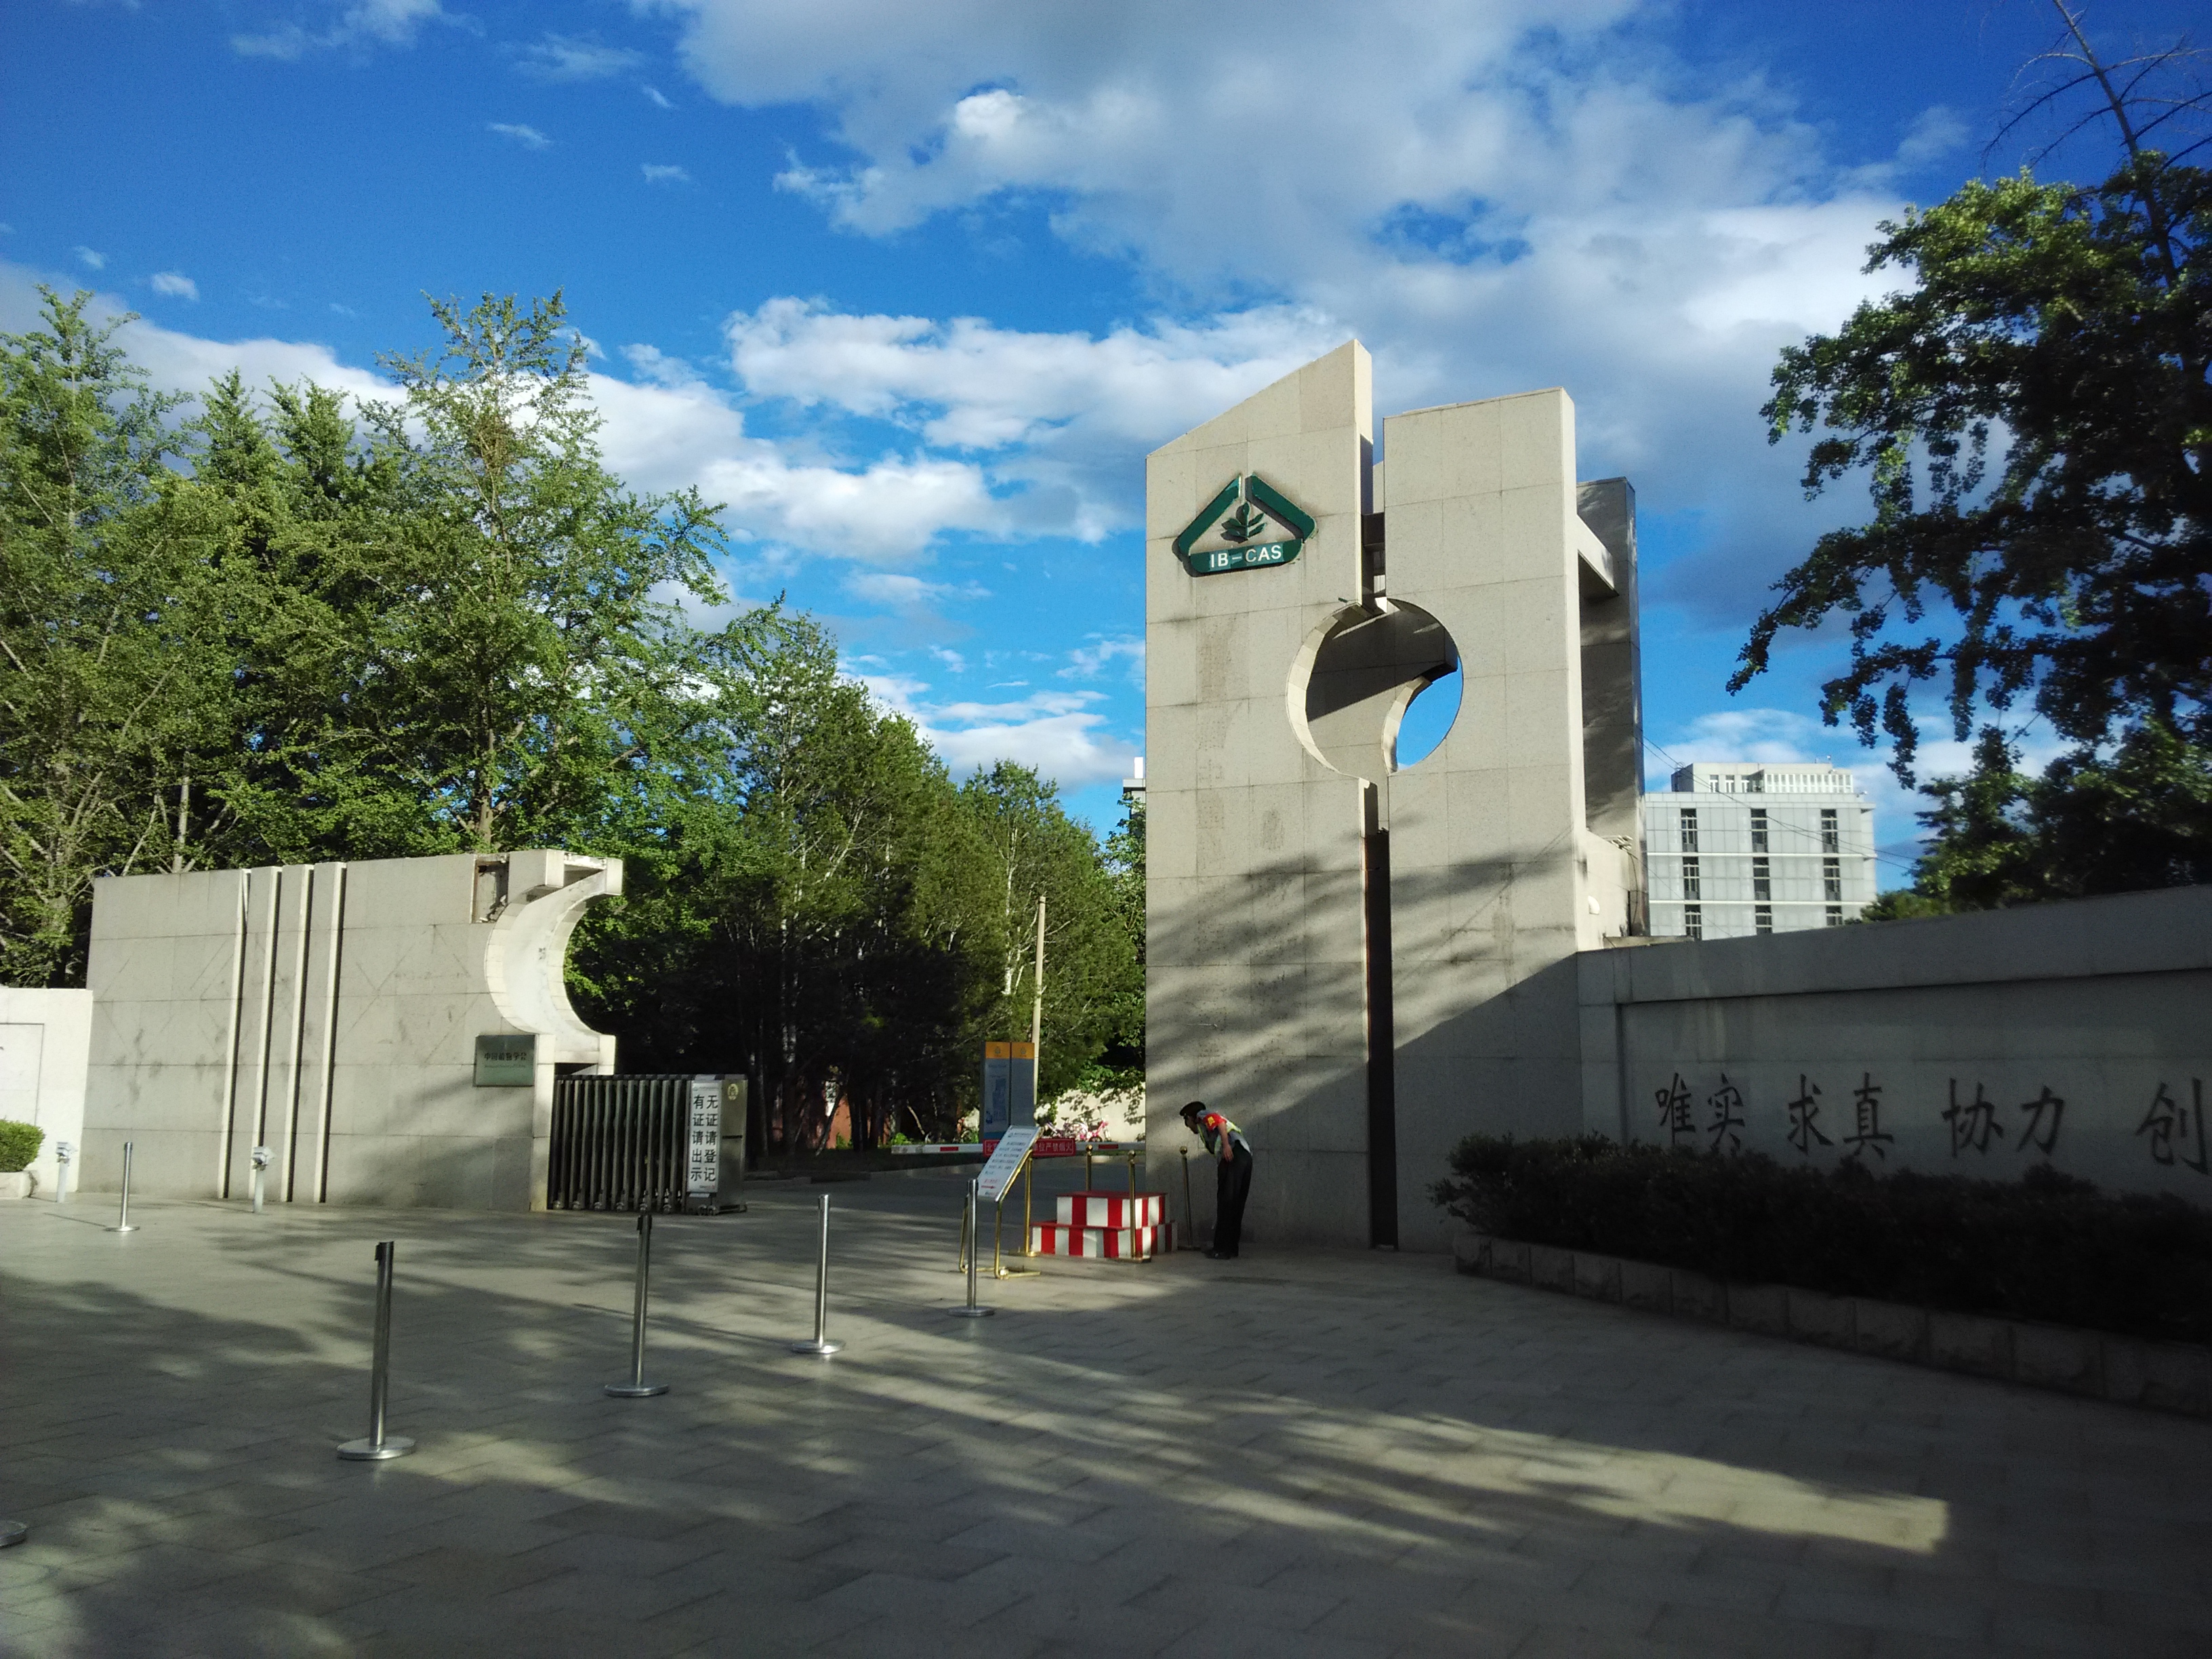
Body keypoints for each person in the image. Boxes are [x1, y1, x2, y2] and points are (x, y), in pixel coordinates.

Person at [1180, 1100, 1252, 1259]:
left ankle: (1221, 1249)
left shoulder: (1201, 1116)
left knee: (1226, 1202)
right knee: (1235, 1204)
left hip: (1232, 1155)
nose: (1189, 1127)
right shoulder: (1205, 1126)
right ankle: (1231, 1248)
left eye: (1187, 1123)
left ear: (1190, 1118)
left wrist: (1226, 1146)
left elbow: (1219, 1121)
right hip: (1244, 1156)